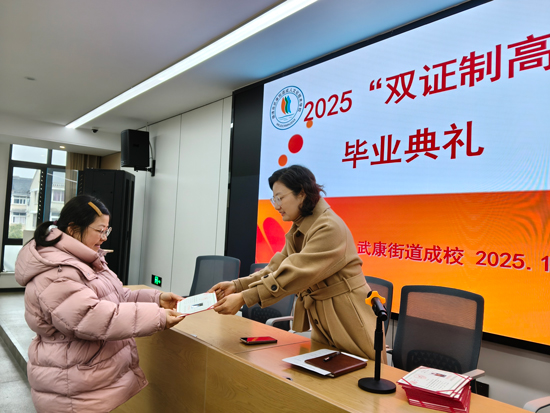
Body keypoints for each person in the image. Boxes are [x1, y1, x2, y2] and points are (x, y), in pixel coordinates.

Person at [15, 195, 184, 413]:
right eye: (100, 230)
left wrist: (157, 299)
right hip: (71, 387)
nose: (104, 238)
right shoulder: (57, 271)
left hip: (83, 378)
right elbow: (91, 316)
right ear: (73, 229)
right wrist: (157, 317)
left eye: (107, 231)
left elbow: (115, 296)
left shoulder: (84, 259)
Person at [209, 165, 384, 360]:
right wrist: (237, 285)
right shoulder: (300, 227)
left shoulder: (329, 227)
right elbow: (276, 268)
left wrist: (243, 297)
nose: (276, 206)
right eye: (274, 199)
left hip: (349, 318)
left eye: (280, 198)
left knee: (358, 374)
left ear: (301, 194)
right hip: (323, 318)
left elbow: (294, 273)